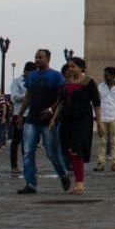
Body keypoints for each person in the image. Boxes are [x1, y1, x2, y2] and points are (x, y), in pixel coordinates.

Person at [17, 49, 72, 195]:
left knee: (52, 152)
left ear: (48, 58)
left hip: (49, 121)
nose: (37, 60)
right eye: (36, 57)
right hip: (32, 119)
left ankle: (63, 174)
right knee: (28, 152)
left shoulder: (56, 76)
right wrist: (19, 115)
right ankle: (30, 183)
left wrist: (51, 110)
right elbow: (28, 97)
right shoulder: (32, 76)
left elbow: (61, 99)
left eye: (40, 57)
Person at [52, 57, 102, 194]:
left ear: (81, 67)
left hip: (82, 120)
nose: (70, 69)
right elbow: (61, 102)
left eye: (73, 66)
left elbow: (96, 104)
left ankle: (80, 183)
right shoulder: (66, 83)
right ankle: (78, 182)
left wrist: (100, 122)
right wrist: (54, 119)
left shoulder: (89, 82)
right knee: (69, 151)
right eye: (69, 67)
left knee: (77, 150)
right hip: (67, 120)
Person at [95, 66, 115, 173]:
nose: (105, 78)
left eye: (106, 75)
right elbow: (96, 103)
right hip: (103, 117)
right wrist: (96, 116)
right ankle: (101, 163)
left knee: (114, 141)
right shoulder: (100, 87)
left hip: (114, 118)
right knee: (102, 141)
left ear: (113, 76)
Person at [9, 60, 35, 176]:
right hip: (19, 115)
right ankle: (14, 164)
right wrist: (28, 95)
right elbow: (14, 97)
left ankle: (29, 165)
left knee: (29, 142)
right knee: (16, 141)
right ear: (25, 71)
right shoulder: (17, 82)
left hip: (31, 115)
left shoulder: (36, 82)